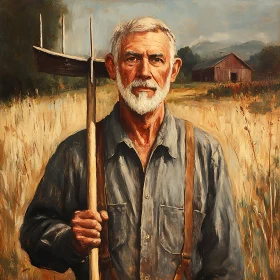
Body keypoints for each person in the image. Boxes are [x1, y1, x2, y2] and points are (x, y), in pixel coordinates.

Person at [20, 17, 244, 280]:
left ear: (173, 70)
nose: (144, 72)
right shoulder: (78, 152)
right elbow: (34, 235)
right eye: (132, 58)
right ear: (113, 67)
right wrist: (70, 240)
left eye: (156, 59)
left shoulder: (207, 154)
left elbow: (226, 268)